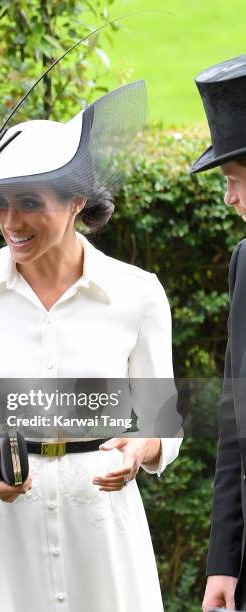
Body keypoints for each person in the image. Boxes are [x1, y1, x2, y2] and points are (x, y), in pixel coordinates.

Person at [0, 81, 182, 612]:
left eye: (30, 203)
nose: (11, 222)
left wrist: (140, 449)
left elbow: (161, 424)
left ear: (77, 201)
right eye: (1, 204)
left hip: (102, 542)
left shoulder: (137, 294)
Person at [190, 54, 246, 612]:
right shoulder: (244, 263)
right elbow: (235, 416)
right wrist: (224, 563)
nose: (228, 197)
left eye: (233, 179)